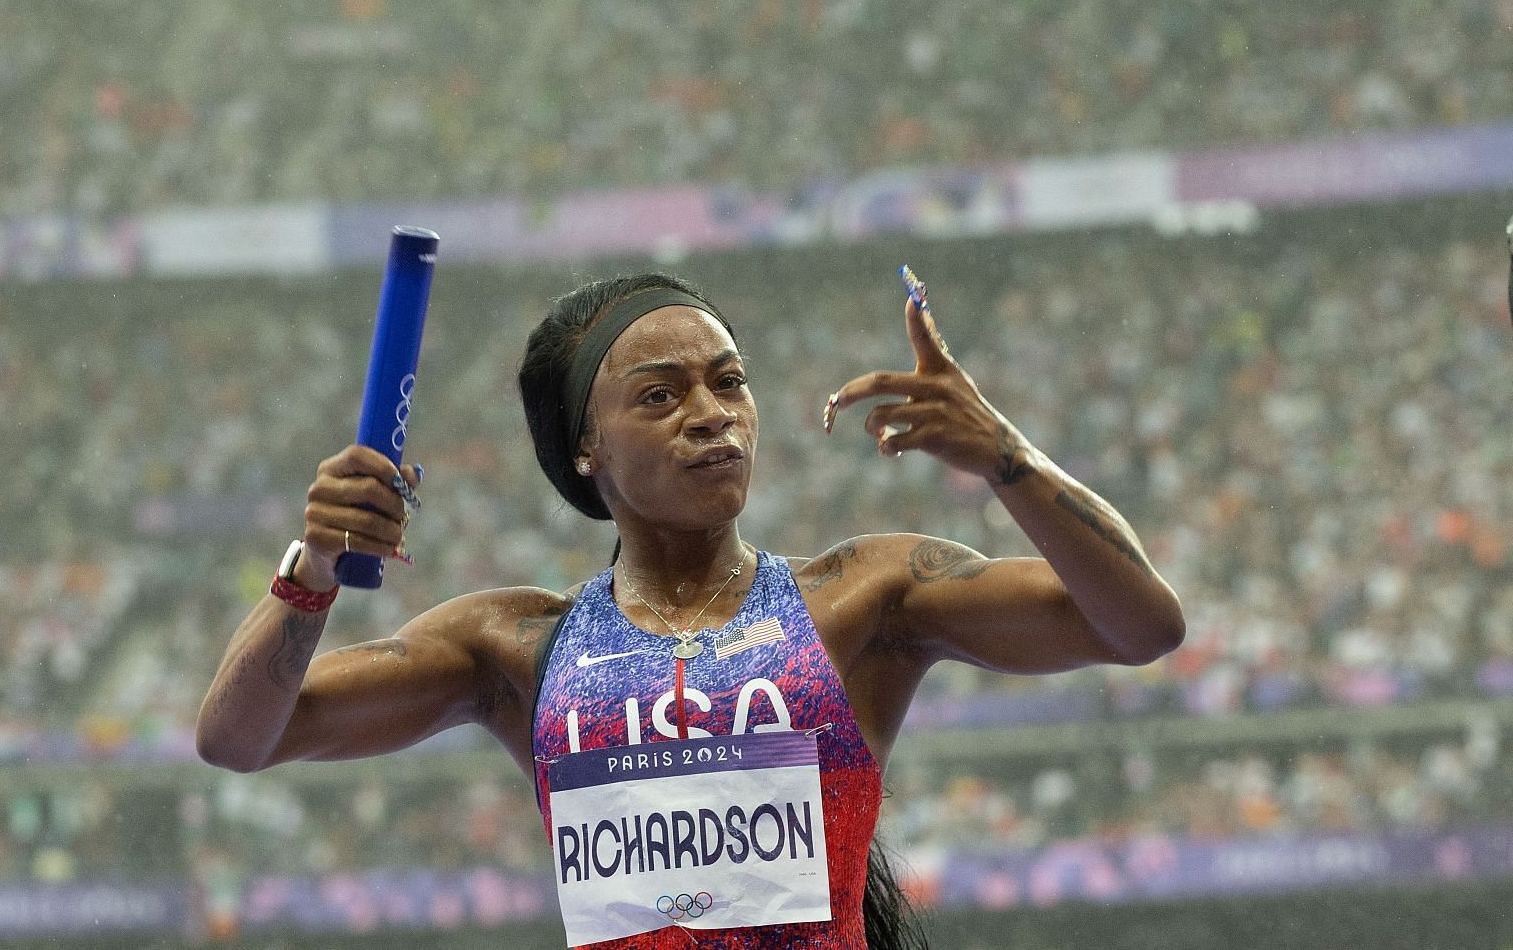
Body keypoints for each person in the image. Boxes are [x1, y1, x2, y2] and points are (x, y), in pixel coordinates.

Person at [196, 272, 1186, 948]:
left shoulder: (864, 597)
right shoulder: (515, 645)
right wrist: (314, 561)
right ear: (585, 446)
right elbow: (240, 738)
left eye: (729, 381)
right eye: (661, 394)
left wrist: (1007, 456)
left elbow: (1141, 626)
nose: (711, 412)